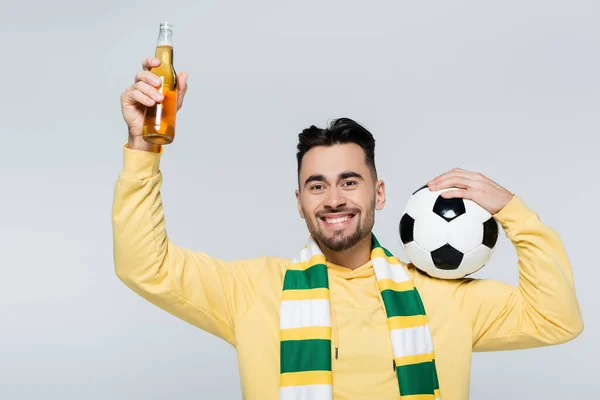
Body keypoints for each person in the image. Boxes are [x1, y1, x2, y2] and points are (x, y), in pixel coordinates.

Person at [112, 56, 584, 400]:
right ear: (300, 204)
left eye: (350, 182)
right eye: (317, 186)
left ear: (379, 194)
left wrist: (513, 212)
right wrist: (142, 148)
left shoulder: (444, 295)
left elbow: (556, 319)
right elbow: (144, 266)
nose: (334, 199)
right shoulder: (253, 290)